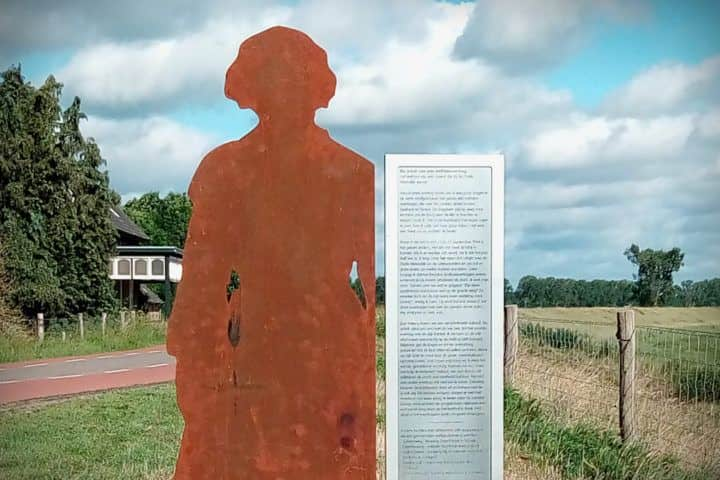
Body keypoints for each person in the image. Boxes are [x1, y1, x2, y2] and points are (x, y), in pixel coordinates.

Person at [167, 26, 376, 479]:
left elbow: (370, 301)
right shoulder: (225, 171)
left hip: (313, 350)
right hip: (270, 348)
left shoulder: (351, 172)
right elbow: (200, 291)